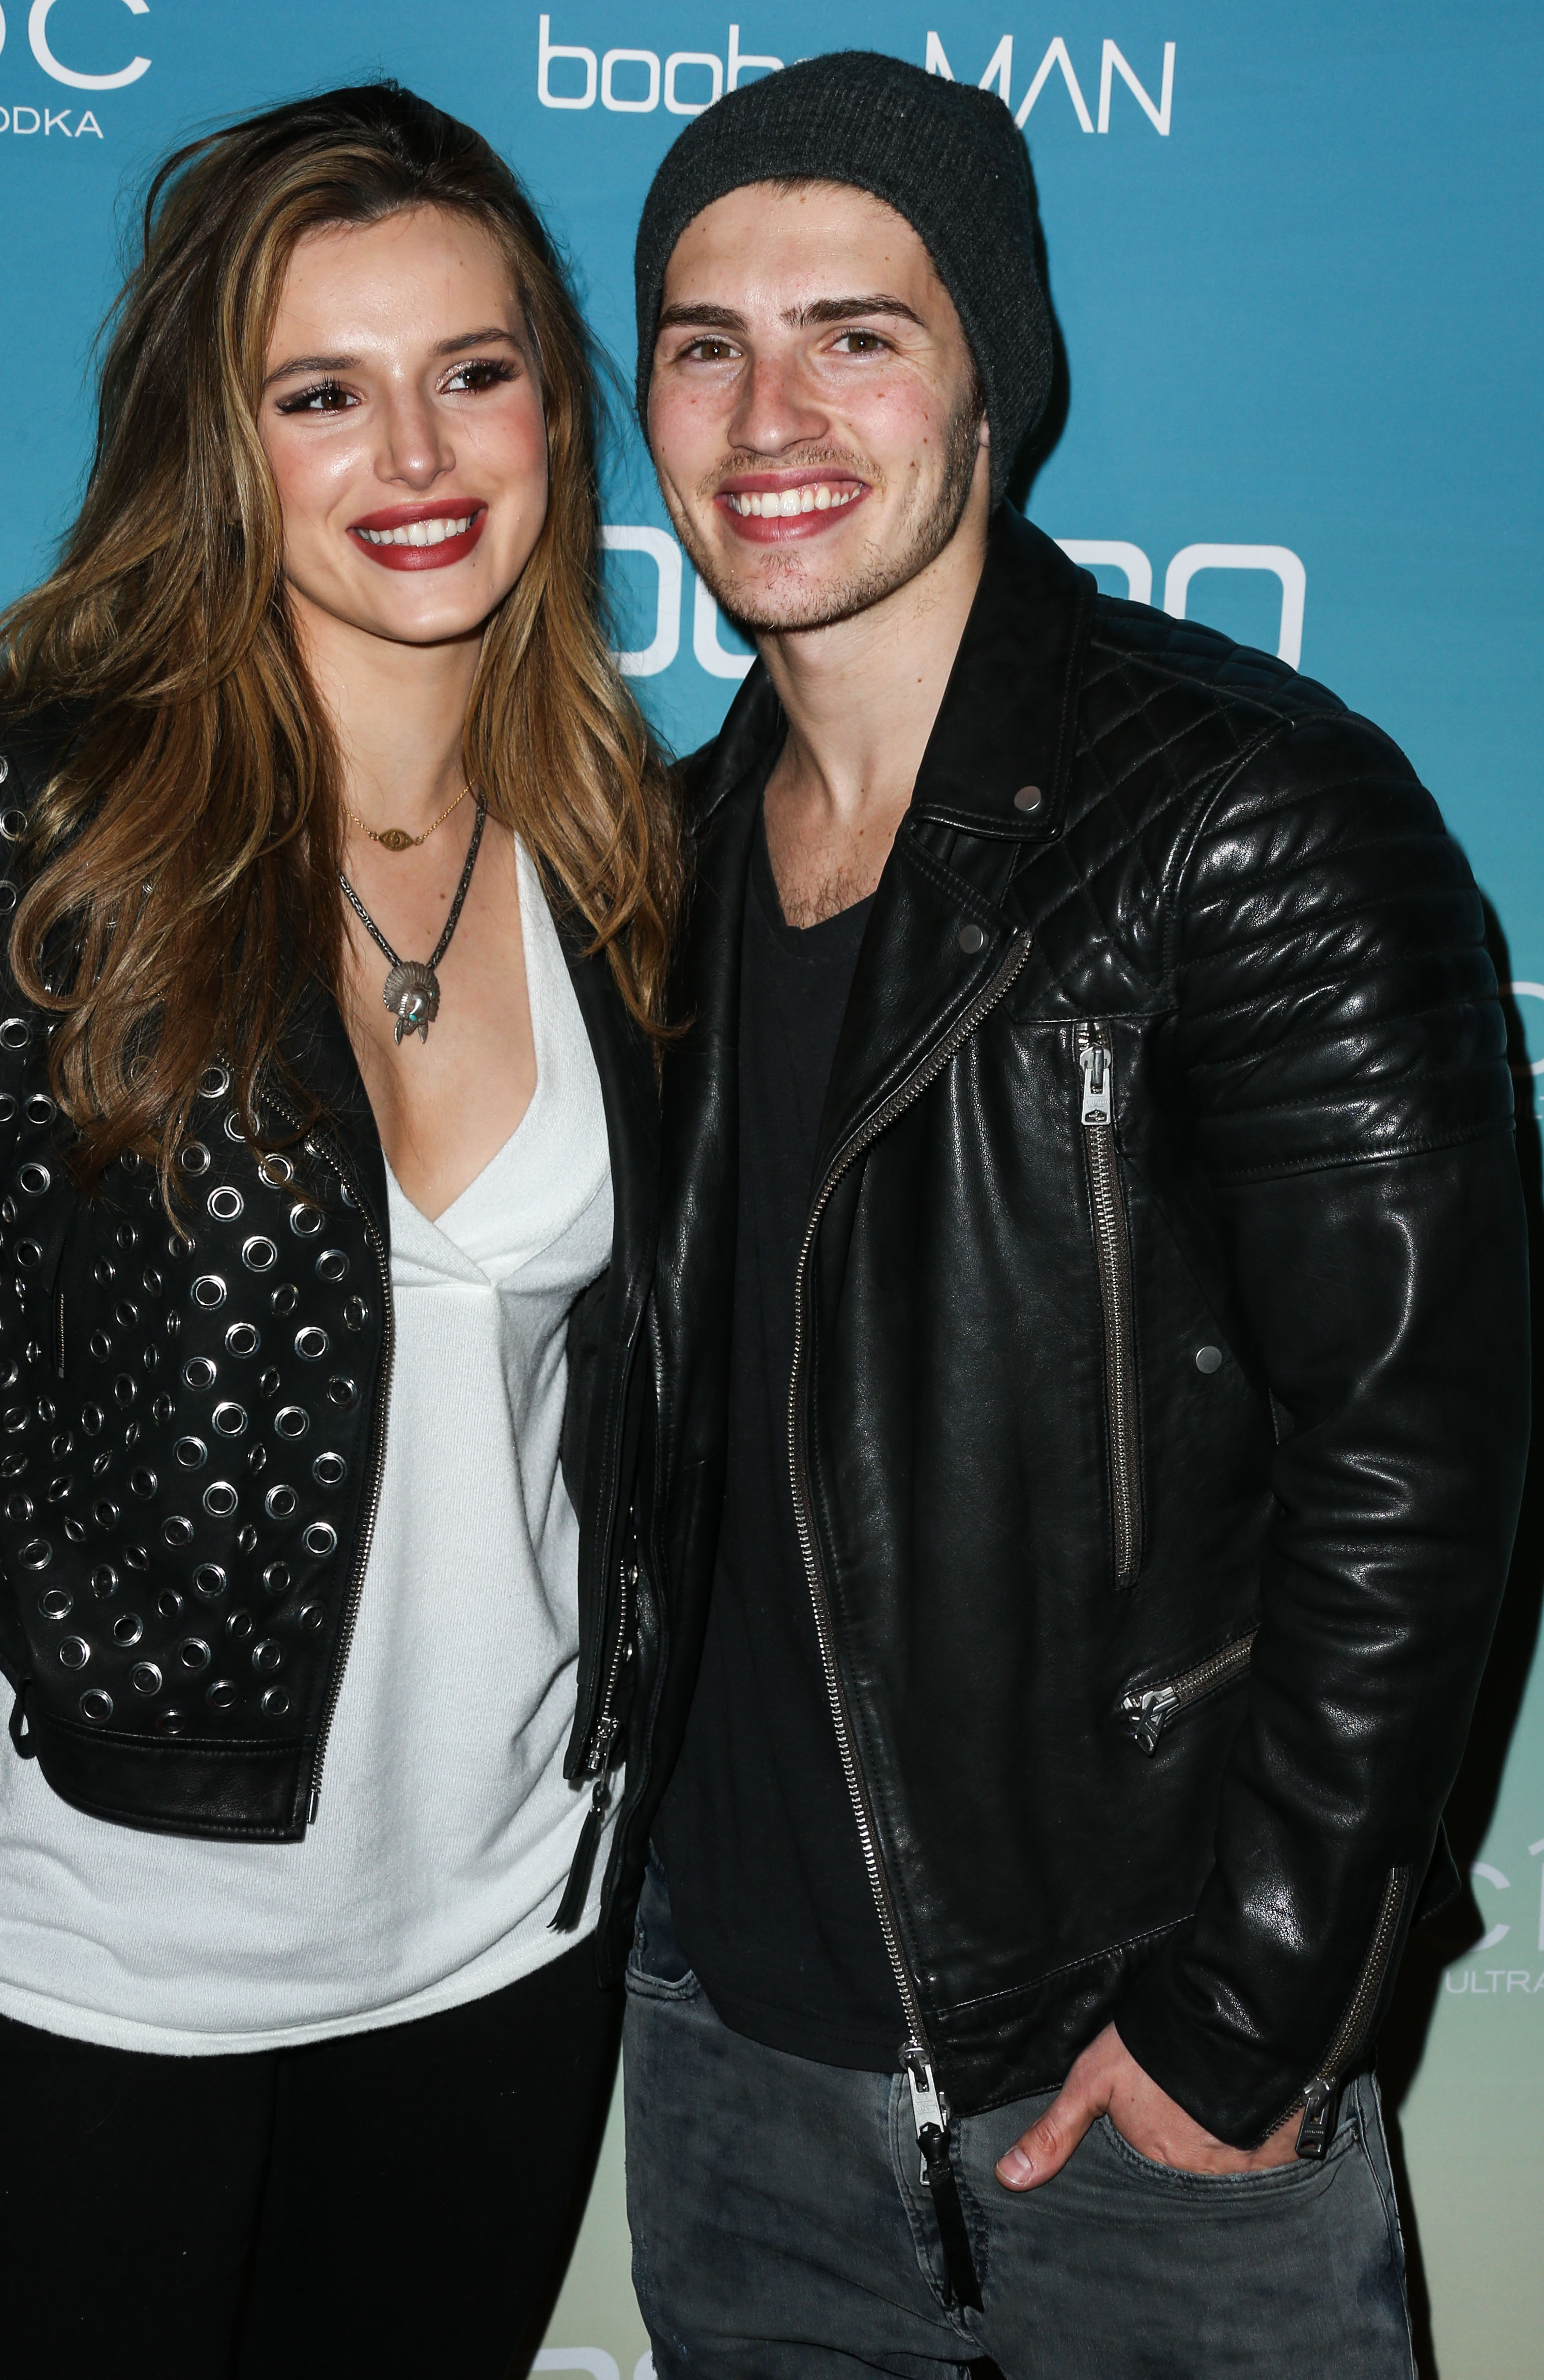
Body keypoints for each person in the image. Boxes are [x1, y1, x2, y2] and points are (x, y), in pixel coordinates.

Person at [616, 51, 1528, 2380]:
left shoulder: (1254, 813)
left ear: (992, 380)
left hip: (1137, 2093)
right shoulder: (645, 871)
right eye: (707, 346)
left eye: (856, 335)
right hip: (728, 2084)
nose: (769, 417)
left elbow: (1417, 1464)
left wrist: (1252, 2012)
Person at [0, 83, 675, 2380]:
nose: (416, 456)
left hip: (503, 1948)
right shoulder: (44, 823)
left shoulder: (621, 841)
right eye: (321, 394)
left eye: (472, 372)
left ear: (554, 416)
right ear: (219, 444)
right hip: (104, 1965)